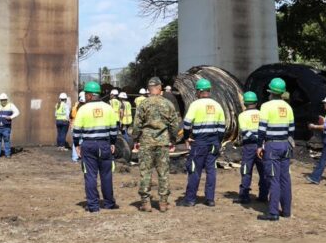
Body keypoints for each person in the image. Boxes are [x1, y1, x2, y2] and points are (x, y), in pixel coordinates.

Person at [131, 76, 180, 212]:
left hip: (146, 143)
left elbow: (137, 125)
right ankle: (163, 203)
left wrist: (135, 139)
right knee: (163, 173)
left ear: (149, 89)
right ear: (160, 88)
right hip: (163, 142)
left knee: (145, 172)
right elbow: (174, 125)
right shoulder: (168, 104)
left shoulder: (143, 104)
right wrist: (173, 140)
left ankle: (146, 203)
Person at [178, 78, 226, 207]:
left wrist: (186, 137)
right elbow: (222, 127)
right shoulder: (217, 105)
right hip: (213, 142)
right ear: (209, 90)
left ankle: (190, 199)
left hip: (199, 142)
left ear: (199, 91)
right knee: (211, 170)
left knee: (195, 169)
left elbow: (187, 124)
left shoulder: (195, 105)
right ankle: (210, 199)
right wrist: (218, 142)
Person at [73, 81, 119, 212]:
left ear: (89, 95)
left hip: (88, 145)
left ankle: (93, 206)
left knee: (90, 175)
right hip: (104, 144)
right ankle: (109, 203)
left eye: (86, 94)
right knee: (106, 175)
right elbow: (114, 128)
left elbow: (76, 130)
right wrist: (112, 143)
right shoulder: (108, 108)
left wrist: (77, 144)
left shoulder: (83, 109)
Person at [256, 77, 295, 221]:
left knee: (273, 179)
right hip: (285, 145)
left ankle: (273, 212)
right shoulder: (288, 107)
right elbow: (291, 130)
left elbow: (261, 130)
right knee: (285, 179)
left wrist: (259, 146)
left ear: (271, 92)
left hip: (272, 146)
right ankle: (286, 211)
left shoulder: (266, 106)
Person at [233, 91, 266, 204]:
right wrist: (260, 142)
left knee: (246, 171)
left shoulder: (242, 116)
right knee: (263, 171)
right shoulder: (262, 114)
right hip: (262, 146)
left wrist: (255, 140)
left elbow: (245, 132)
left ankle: (244, 196)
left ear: (244, 103)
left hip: (249, 147)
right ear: (256, 103)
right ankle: (263, 195)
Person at [0, 93, 20, 158]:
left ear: (6, 99)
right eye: (2, 100)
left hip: (6, 127)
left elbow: (17, 112)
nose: (3, 101)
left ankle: (7, 154)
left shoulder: (11, 105)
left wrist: (10, 117)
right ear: (0, 100)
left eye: (4, 100)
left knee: (6, 140)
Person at [69, 92, 85, 162]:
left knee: (75, 142)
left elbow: (70, 116)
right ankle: (81, 156)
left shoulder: (74, 107)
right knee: (83, 141)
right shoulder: (85, 108)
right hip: (82, 127)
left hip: (74, 126)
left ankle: (75, 157)